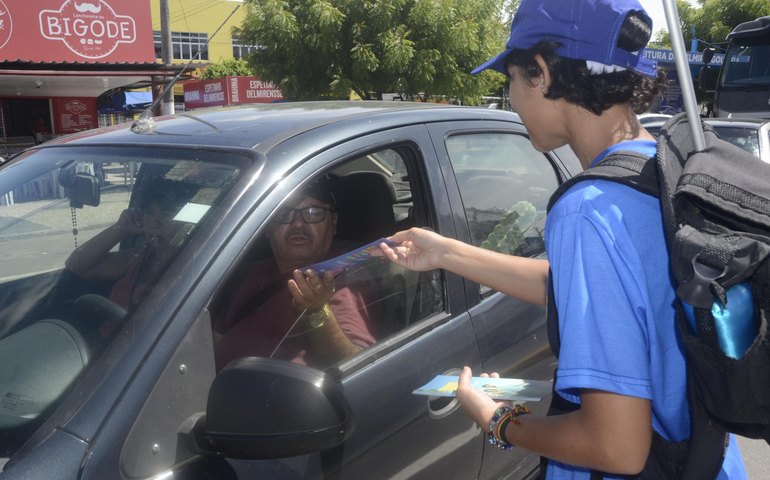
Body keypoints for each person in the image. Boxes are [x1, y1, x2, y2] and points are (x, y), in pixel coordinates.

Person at [376, 0, 747, 478]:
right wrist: (446, 251)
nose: (510, 95)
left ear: (543, 73)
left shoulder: (587, 208)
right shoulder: (664, 167)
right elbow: (597, 290)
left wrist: (500, 420)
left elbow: (616, 447)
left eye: (511, 78)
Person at [213, 180, 376, 371]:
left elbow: (355, 367)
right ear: (266, 228)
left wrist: (316, 311)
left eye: (313, 213)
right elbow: (216, 335)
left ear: (333, 224)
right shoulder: (250, 272)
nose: (298, 223)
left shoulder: (342, 278)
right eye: (284, 214)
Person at [65, 180, 195, 320]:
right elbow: (76, 266)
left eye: (167, 215)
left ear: (187, 222)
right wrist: (120, 229)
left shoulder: (194, 264)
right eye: (150, 213)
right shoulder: (139, 256)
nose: (155, 223)